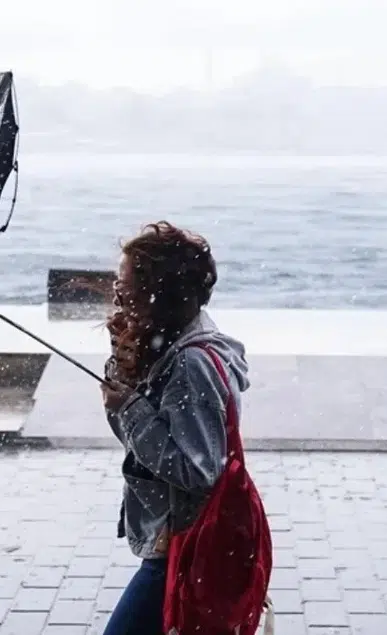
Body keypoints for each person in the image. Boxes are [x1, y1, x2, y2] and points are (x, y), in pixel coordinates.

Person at [100, 221, 251, 635]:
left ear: (157, 294)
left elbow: (197, 470)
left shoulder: (191, 363)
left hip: (185, 542)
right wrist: (125, 370)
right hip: (181, 540)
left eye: (125, 285)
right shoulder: (170, 345)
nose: (118, 294)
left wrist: (130, 407)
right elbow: (138, 443)